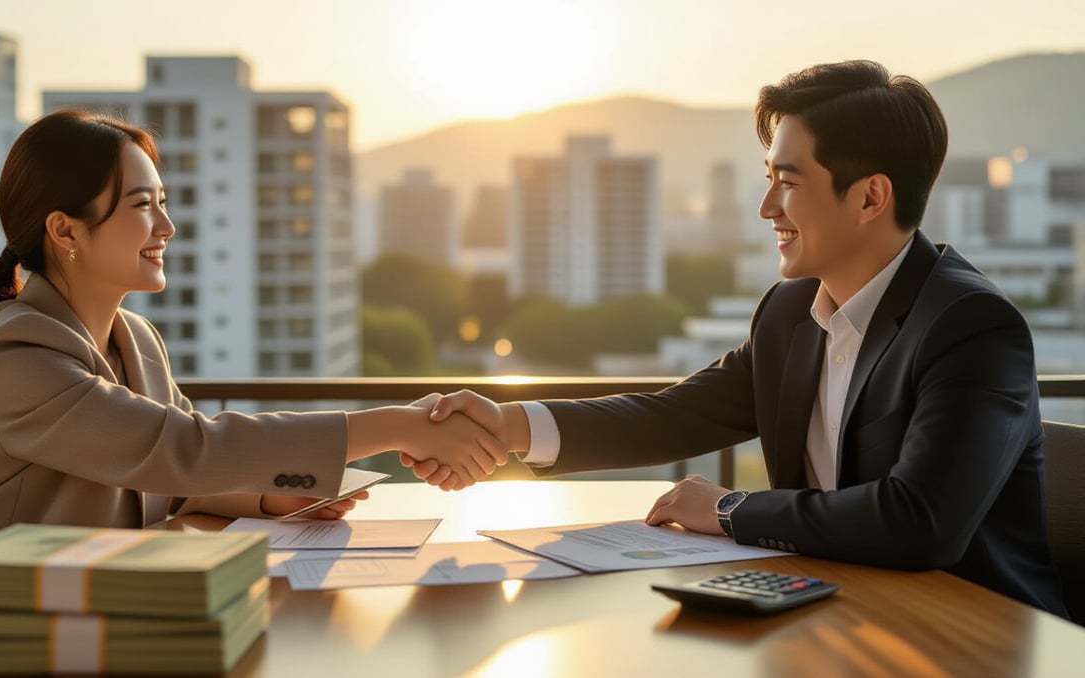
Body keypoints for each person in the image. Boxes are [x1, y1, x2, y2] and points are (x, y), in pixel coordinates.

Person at [405, 60, 1068, 617]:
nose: (767, 208)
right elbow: (672, 416)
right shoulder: (788, 314)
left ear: (870, 198)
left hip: (973, 634)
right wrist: (508, 425)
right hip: (836, 617)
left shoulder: (971, 326)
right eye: (767, 179)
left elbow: (918, 523)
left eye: (788, 182)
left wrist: (729, 509)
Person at [0, 109, 505, 612]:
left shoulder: (137, 340)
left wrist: (270, 500)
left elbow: (175, 488)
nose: (166, 225)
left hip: (90, 611)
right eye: (142, 206)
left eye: (162, 202)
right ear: (66, 231)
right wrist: (396, 425)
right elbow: (183, 450)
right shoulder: (17, 351)